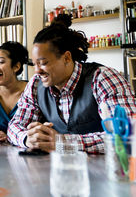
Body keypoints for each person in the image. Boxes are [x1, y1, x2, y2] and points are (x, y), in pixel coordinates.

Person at [7, 22, 136, 153]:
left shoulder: (103, 78)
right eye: (34, 64)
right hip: (57, 169)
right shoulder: (36, 84)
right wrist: (27, 139)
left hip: (108, 169)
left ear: (67, 58)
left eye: (43, 63)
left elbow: (127, 134)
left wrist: (63, 142)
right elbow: (15, 125)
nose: (37, 71)